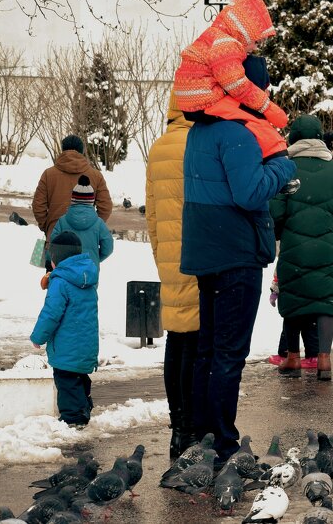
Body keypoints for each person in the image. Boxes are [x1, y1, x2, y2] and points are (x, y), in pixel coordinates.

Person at [181, 56, 296, 463]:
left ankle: (202, 433)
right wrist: (282, 169)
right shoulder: (238, 132)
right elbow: (249, 193)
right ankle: (224, 442)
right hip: (235, 253)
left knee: (208, 350)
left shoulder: (200, 129)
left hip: (207, 251)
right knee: (229, 353)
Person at [270, 115, 333, 381]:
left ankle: (293, 357)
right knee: (325, 302)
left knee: (293, 298)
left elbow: (276, 211)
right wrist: (329, 231)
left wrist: (284, 233)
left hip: (294, 245)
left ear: (293, 138)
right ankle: (324, 360)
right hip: (326, 243)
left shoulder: (286, 167)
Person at [146, 90, 201, 458]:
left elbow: (151, 213)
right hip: (199, 251)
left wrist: (160, 252)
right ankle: (193, 427)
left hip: (168, 253)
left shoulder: (158, 147)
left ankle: (177, 426)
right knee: (196, 342)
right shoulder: (200, 143)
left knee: (177, 338)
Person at [174, 0, 289, 130]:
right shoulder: (227, 44)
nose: (255, 48)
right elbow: (237, 85)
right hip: (205, 100)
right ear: (244, 31)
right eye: (256, 41)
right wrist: (267, 107)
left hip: (191, 102)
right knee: (253, 122)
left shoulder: (214, 35)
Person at [30, 231, 100, 428]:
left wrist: (38, 337)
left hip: (66, 346)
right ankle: (83, 407)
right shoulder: (86, 277)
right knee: (78, 376)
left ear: (57, 259)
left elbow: (51, 314)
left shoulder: (60, 282)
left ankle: (73, 418)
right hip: (85, 344)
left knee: (66, 380)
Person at [33, 135, 113, 272]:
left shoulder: (48, 174)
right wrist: (94, 225)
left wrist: (47, 227)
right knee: (86, 288)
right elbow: (105, 206)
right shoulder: (95, 175)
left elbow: (38, 206)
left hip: (56, 242)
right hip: (87, 245)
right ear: (82, 152)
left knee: (55, 286)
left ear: (62, 150)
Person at [45, 176, 113, 280]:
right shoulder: (99, 224)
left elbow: (53, 245)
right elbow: (108, 247)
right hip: (90, 270)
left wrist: (50, 262)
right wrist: (95, 258)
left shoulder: (62, 221)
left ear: (73, 199)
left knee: (65, 293)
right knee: (88, 295)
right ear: (91, 201)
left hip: (65, 270)